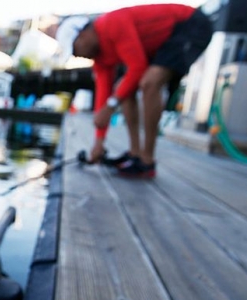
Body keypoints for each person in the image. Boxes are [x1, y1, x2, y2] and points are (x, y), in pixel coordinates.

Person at [56, 4, 213, 177]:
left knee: (150, 83)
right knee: (123, 88)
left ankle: (147, 161)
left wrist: (111, 106)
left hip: (189, 25)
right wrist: (98, 142)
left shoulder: (112, 24)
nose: (77, 56)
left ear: (83, 35)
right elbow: (104, 95)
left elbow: (138, 67)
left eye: (75, 50)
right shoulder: (100, 58)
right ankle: (135, 154)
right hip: (161, 44)